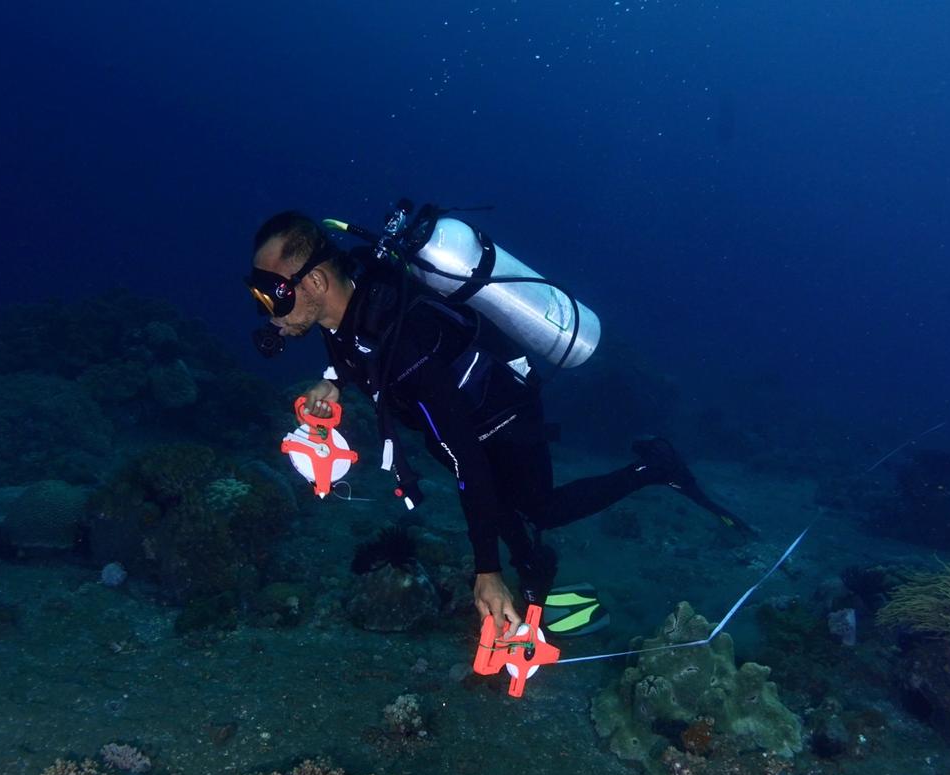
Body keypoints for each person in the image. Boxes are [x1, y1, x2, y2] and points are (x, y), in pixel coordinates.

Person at [248, 211, 747, 637]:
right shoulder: (350, 301)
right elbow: (355, 349)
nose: (269, 313)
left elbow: (467, 456)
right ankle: (534, 572)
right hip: (457, 421)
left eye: (274, 296)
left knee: (539, 508)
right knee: (498, 507)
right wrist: (332, 381)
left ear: (314, 282)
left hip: (503, 414)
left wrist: (486, 571)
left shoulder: (405, 343)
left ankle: (653, 468)